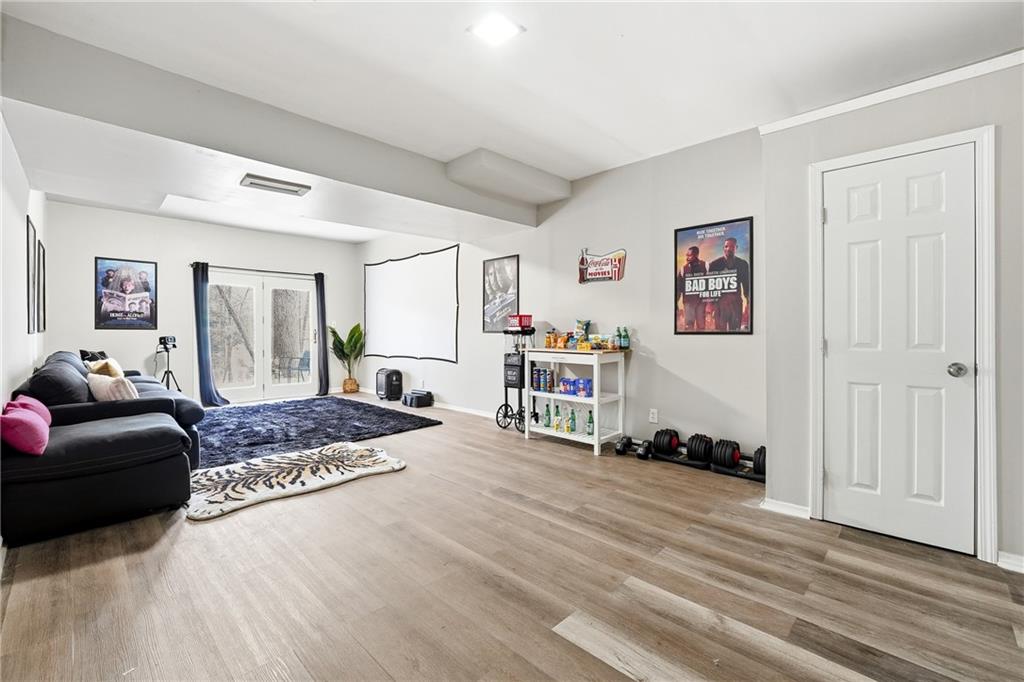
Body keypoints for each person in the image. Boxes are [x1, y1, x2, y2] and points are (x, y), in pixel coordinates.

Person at [707, 237, 751, 331]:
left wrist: (748, 302)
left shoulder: (742, 264)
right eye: (726, 246)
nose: (728, 249)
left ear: (736, 247)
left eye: (731, 246)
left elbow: (746, 286)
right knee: (719, 331)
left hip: (736, 303)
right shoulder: (715, 264)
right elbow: (710, 287)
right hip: (720, 304)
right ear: (723, 248)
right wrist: (710, 304)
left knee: (735, 330)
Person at [677, 245, 707, 330]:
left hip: (701, 301)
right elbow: (679, 288)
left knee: (701, 326)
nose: (687, 257)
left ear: (696, 255)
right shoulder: (683, 269)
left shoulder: (706, 265)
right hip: (688, 302)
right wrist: (676, 302)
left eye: (689, 255)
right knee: (689, 326)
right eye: (687, 255)